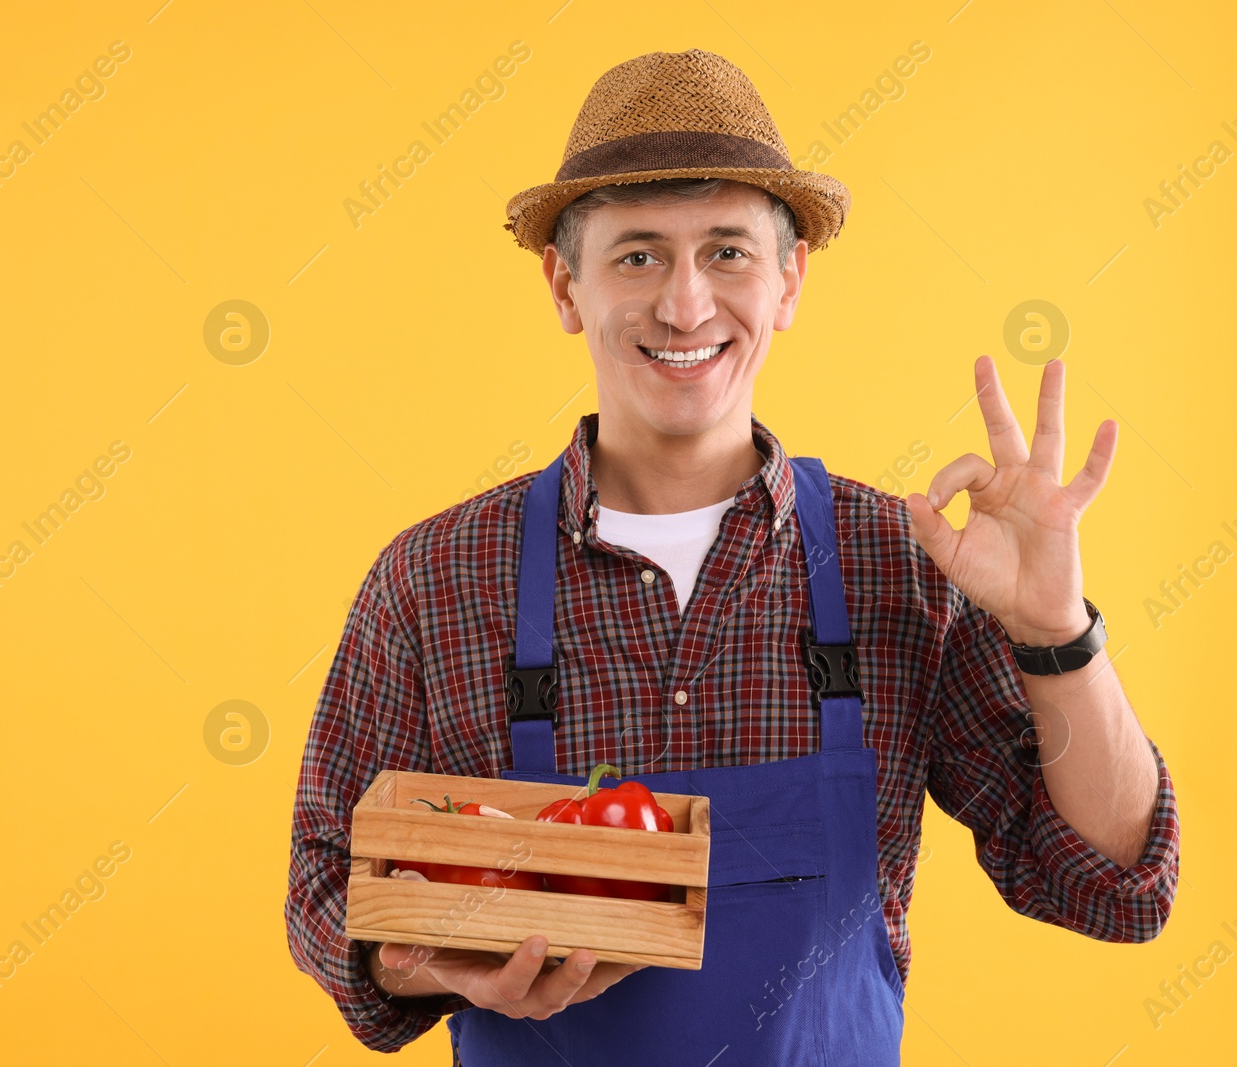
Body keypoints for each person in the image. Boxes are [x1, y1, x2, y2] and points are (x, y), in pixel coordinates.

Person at [285, 48, 1178, 1065]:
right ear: (563, 283)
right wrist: (434, 960)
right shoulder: (435, 582)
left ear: (789, 278)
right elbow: (323, 885)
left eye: (726, 252)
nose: (684, 305)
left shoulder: (901, 563)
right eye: (636, 255)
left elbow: (1117, 886)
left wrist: (1054, 633)